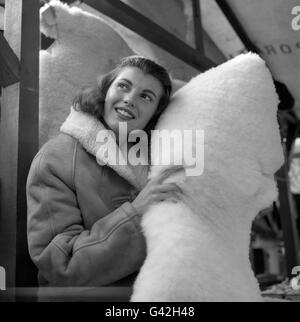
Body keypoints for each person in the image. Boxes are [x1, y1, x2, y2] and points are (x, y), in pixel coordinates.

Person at [26, 56, 183, 286]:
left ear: (155, 114)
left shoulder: (158, 160)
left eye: (146, 96)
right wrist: (137, 212)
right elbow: (60, 265)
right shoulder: (55, 157)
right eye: (123, 86)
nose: (129, 99)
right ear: (105, 90)